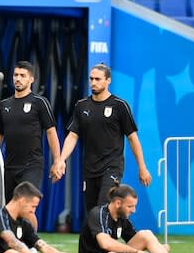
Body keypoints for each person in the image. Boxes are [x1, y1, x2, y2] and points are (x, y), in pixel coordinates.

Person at [54, 63, 152, 213]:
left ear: (108, 81)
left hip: (112, 167)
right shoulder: (82, 106)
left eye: (98, 79)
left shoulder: (119, 106)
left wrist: (142, 167)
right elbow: (73, 135)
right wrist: (61, 159)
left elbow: (132, 138)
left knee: (102, 210)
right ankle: (95, 237)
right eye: (91, 79)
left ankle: (113, 235)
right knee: (92, 214)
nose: (93, 82)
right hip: (89, 168)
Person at [0, 61, 61, 229]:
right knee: (13, 210)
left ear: (31, 79)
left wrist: (58, 160)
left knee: (27, 205)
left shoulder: (39, 102)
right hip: (10, 166)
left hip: (32, 165)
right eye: (16, 75)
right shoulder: (4, 105)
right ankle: (16, 247)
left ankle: (33, 245)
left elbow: (51, 132)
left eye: (23, 76)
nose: (18, 79)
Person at [78, 182, 194, 253]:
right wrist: (136, 252)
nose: (134, 210)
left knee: (146, 234)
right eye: (130, 206)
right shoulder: (98, 214)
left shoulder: (122, 218)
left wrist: (157, 249)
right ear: (118, 203)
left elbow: (140, 241)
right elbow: (105, 243)